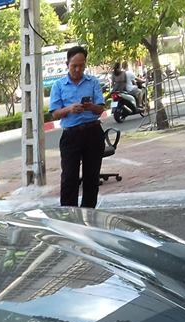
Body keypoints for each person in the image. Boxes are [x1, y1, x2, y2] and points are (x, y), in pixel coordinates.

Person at [48, 46, 107, 208]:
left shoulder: (93, 82)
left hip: (93, 132)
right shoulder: (58, 85)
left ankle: (88, 213)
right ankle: (69, 216)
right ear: (67, 64)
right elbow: (54, 114)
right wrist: (69, 109)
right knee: (69, 177)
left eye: (81, 65)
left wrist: (90, 106)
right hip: (71, 136)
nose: (77, 69)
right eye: (74, 65)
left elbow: (101, 109)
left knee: (92, 177)